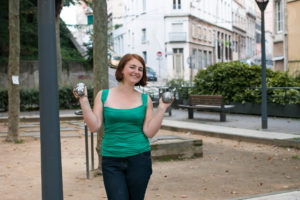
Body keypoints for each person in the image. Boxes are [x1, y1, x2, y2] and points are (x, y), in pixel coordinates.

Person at [73, 53, 173, 200]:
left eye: (140, 69)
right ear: (121, 70)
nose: (136, 71)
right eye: (132, 67)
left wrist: (163, 108)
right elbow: (94, 126)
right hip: (111, 159)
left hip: (139, 158)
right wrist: (83, 100)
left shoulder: (145, 99)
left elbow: (149, 132)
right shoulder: (103, 95)